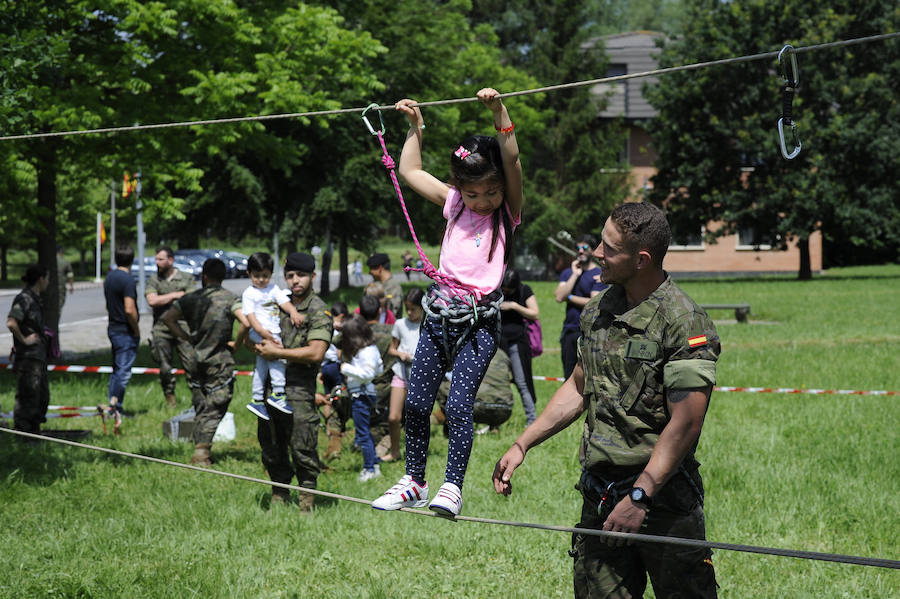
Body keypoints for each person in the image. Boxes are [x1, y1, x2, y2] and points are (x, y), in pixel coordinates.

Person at [493, 202, 721, 598]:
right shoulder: (599, 309)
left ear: (641, 259)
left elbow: (685, 423)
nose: (597, 252)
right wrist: (522, 443)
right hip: (600, 494)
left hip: (661, 501)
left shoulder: (684, 322)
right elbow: (579, 385)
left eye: (609, 247)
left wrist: (640, 496)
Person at [372, 86, 522, 518]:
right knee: (417, 402)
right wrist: (415, 129)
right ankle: (414, 481)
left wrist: (500, 113)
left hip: (478, 324)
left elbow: (510, 161)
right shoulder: (455, 203)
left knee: (458, 406)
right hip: (438, 318)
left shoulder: (507, 212)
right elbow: (410, 171)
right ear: (459, 188)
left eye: (489, 193)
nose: (481, 201)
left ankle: (452, 487)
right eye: (473, 193)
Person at [254, 252, 333, 511]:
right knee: (271, 442)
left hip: (300, 390)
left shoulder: (318, 310)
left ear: (313, 276)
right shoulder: (276, 303)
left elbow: (316, 352)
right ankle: (279, 492)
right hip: (271, 389)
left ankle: (306, 500)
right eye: (290, 276)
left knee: (303, 445)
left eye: (300, 275)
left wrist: (277, 353)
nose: (295, 280)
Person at [162, 258, 244, 466]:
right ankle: (202, 451)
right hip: (219, 360)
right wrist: (238, 342)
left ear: (204, 277)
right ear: (223, 276)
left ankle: (200, 447)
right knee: (217, 404)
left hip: (195, 359)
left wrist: (185, 337)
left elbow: (168, 318)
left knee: (200, 403)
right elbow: (246, 321)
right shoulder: (230, 298)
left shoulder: (190, 298)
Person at [242, 252, 304, 420]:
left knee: (262, 365)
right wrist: (262, 333)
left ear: (271, 274)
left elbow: (284, 302)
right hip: (260, 332)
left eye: (265, 276)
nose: (261, 280)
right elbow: (250, 316)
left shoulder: (273, 289)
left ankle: (257, 399)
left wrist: (293, 312)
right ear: (249, 274)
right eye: (257, 276)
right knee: (277, 358)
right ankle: (278, 393)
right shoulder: (249, 293)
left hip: (271, 331)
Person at [145, 246, 195, 407]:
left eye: (161, 259)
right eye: (156, 259)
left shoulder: (186, 278)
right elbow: (152, 301)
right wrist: (175, 295)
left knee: (191, 364)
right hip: (161, 328)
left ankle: (197, 399)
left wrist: (164, 298)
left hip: (183, 327)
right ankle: (170, 399)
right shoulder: (154, 280)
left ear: (170, 260)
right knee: (164, 368)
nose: (157, 262)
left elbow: (191, 299)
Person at [554, 234, 607, 379]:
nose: (581, 251)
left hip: (590, 331)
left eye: (584, 248)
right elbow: (559, 296)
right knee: (568, 375)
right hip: (569, 330)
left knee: (589, 376)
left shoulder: (599, 274)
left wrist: (569, 297)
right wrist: (575, 275)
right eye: (578, 248)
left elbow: (593, 301)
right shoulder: (568, 273)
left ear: (592, 250)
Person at [6, 265, 50, 435]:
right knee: (28, 398)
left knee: (41, 397)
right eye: (46, 278)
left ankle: (34, 433)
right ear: (40, 279)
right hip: (28, 358)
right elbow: (11, 322)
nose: (47, 282)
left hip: (38, 358)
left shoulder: (35, 299)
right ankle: (23, 434)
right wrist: (24, 339)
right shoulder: (24, 299)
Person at [339, 314, 384, 482]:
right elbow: (379, 368)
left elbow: (368, 374)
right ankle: (374, 464)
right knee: (366, 432)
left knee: (363, 434)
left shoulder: (366, 352)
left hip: (362, 395)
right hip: (363, 394)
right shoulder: (371, 350)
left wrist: (346, 368)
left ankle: (369, 469)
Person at [383, 287, 425, 462]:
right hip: (401, 372)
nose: (409, 312)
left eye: (413, 309)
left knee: (417, 418)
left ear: (423, 308)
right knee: (394, 416)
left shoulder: (427, 325)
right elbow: (392, 349)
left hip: (420, 376)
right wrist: (400, 354)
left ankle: (416, 454)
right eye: (407, 308)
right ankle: (394, 451)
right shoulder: (400, 324)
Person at [499, 268, 540, 426]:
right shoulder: (495, 290)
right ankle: (493, 421)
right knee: (497, 380)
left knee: (521, 381)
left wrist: (514, 306)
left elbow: (535, 313)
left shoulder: (524, 290)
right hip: (498, 342)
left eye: (509, 290)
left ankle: (531, 420)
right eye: (503, 289)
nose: (506, 292)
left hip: (517, 342)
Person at [104, 245, 141, 414]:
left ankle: (113, 404)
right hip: (125, 330)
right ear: (132, 260)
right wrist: (136, 329)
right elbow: (129, 309)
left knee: (116, 370)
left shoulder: (109, 278)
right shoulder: (128, 280)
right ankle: (115, 407)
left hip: (112, 327)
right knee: (123, 372)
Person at [367, 252, 404, 318]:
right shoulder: (374, 284)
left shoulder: (394, 287)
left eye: (371, 269)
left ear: (380, 268)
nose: (370, 273)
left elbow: (392, 312)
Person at [56, 245, 74, 315]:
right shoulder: (65, 261)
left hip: (49, 287)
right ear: (61, 251)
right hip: (61, 287)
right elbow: (70, 275)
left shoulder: (49, 261)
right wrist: (71, 286)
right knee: (59, 306)